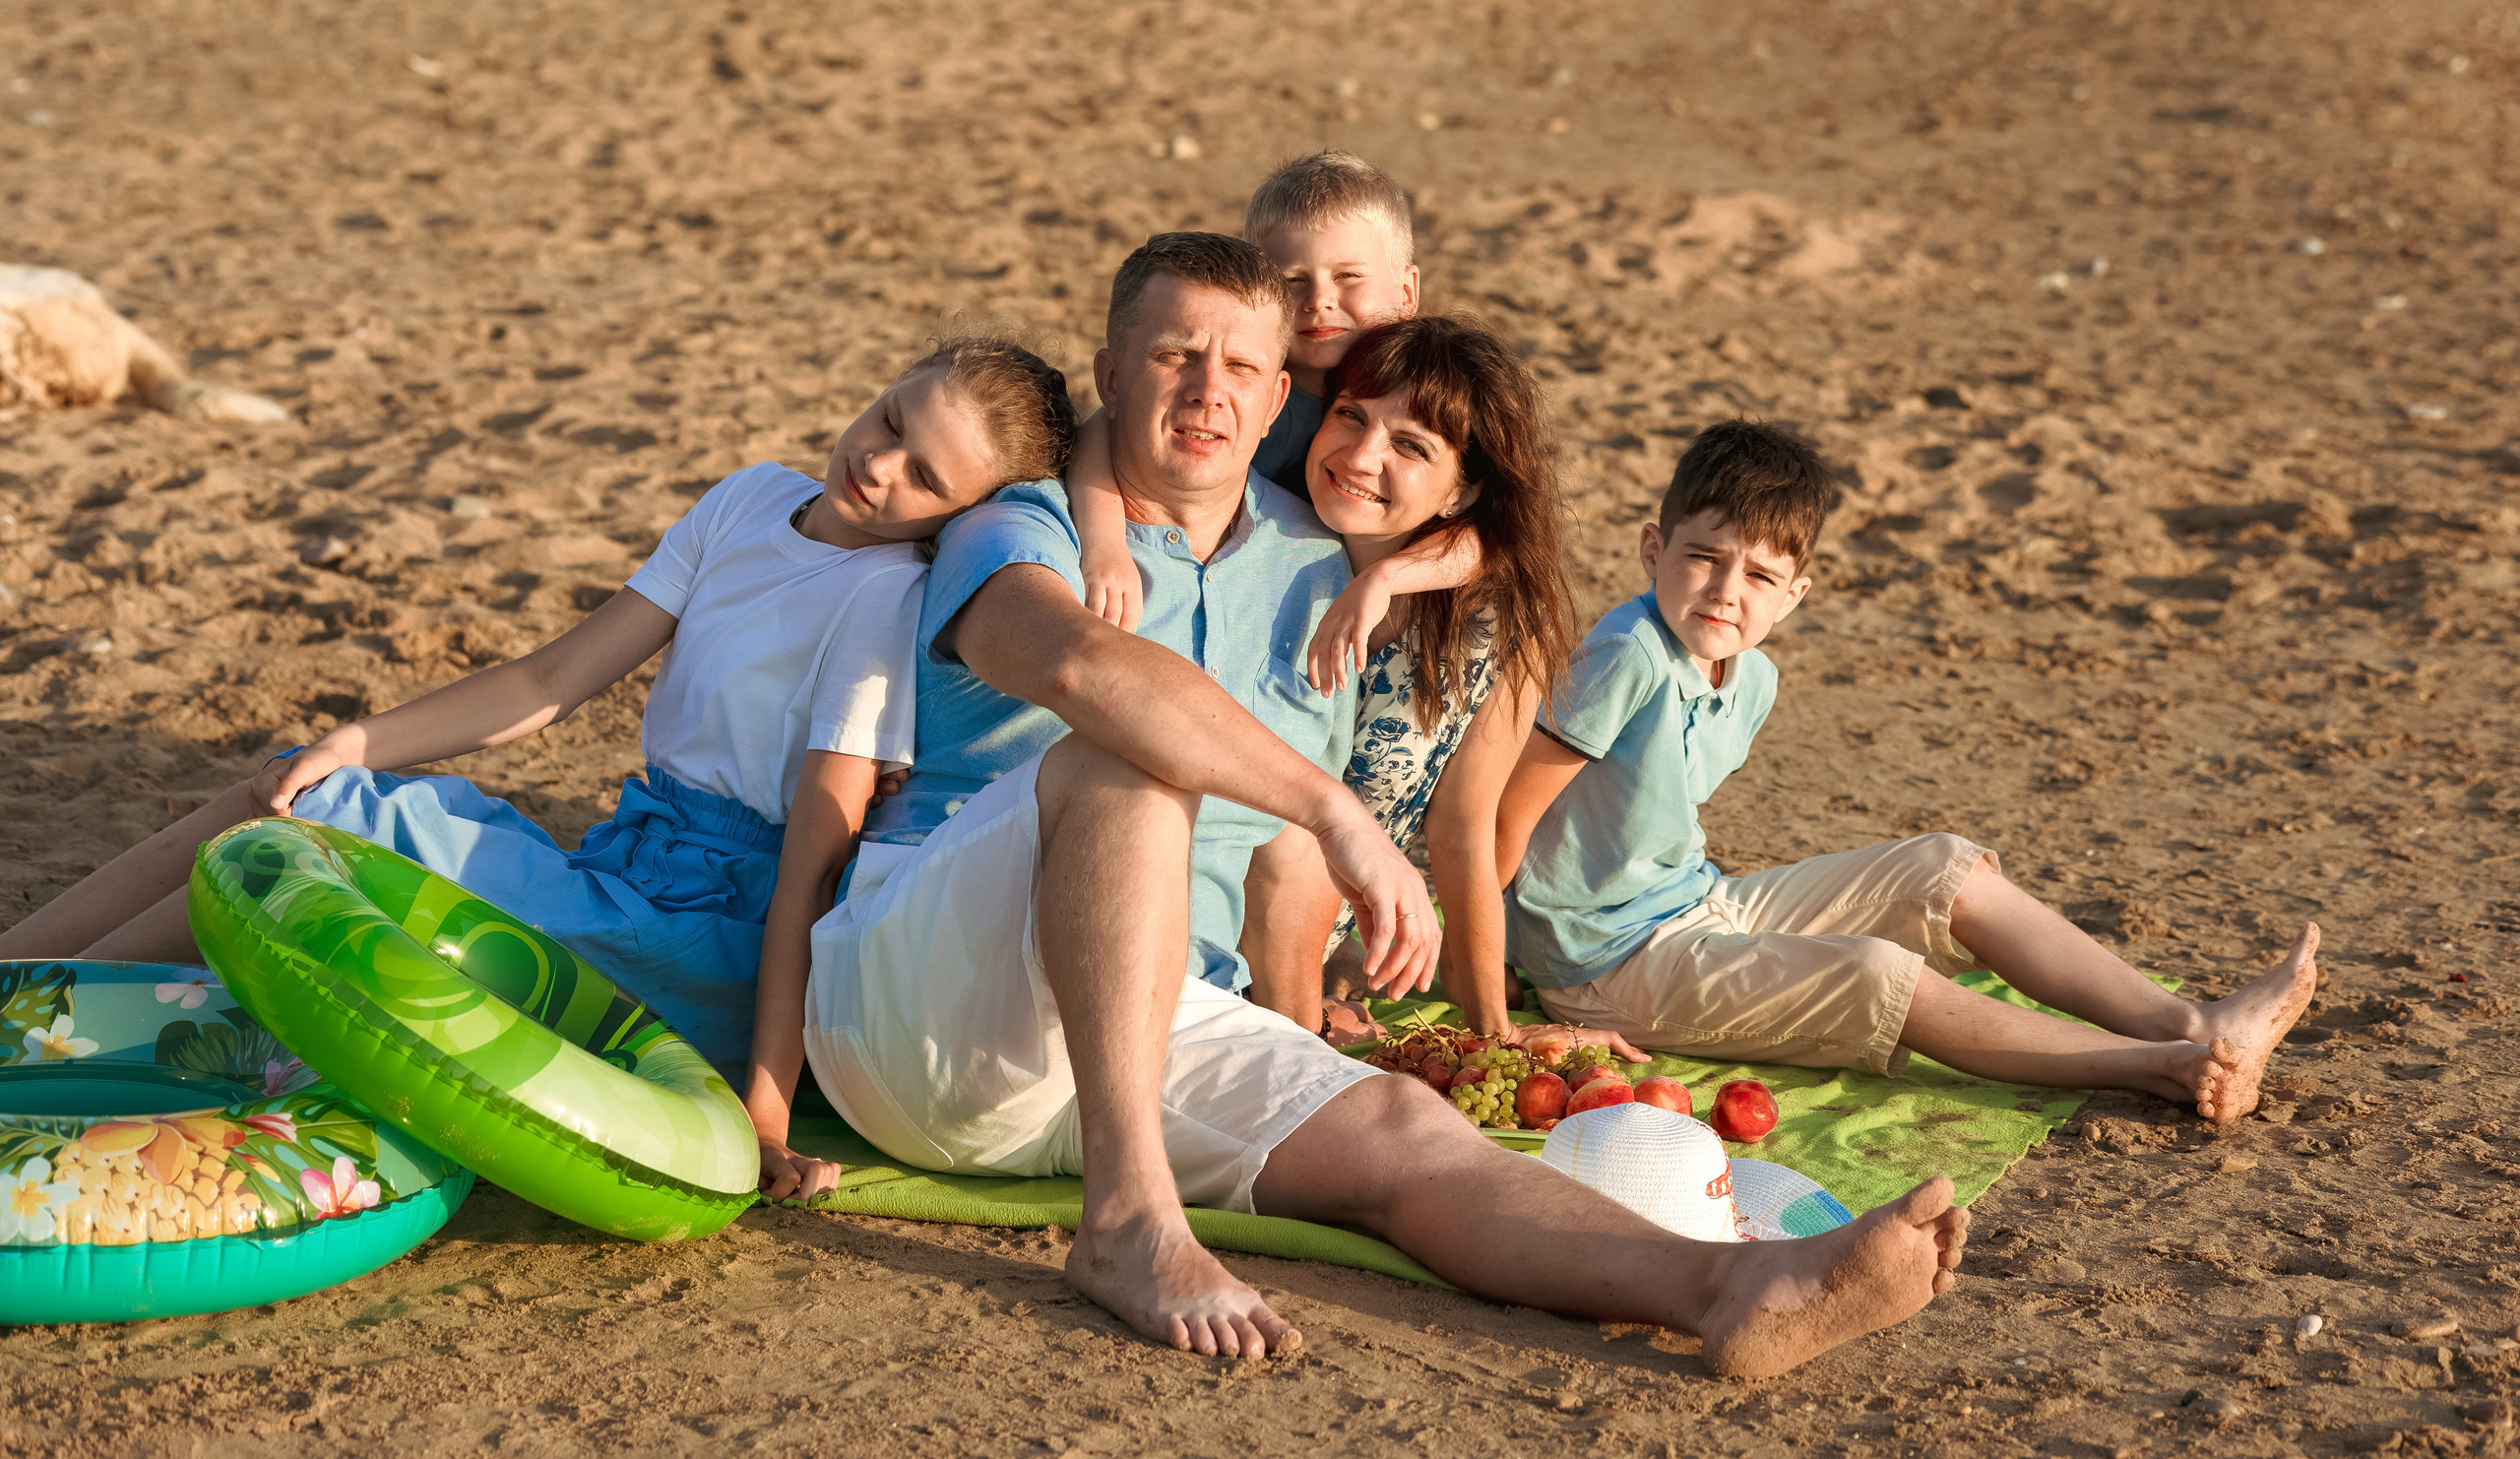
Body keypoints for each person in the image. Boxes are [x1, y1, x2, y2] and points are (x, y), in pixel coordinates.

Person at [802, 234, 1971, 1374]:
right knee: (1133, 761)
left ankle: (1728, 1289)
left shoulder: (1316, 570)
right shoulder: (1023, 524)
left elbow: (1285, 855)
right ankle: (1125, 1225)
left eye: (1242, 369)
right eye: (1172, 358)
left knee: (1409, 1139)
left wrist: (1319, 1012)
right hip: (926, 1013)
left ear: (1276, 403)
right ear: (1109, 378)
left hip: (1160, 1016)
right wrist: (1337, 810)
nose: (1208, 390)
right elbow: (1081, 673)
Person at [0, 336, 1080, 1201]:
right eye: (892, 417)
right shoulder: (750, 498)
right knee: (293, 785)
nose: (880, 463)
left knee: (318, 836)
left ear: (961, 514)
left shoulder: (884, 600)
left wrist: (763, 1106)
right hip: (619, 866)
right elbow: (555, 675)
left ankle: (25, 1027)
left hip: (704, 938)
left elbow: (812, 861)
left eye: (924, 475)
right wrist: (355, 738)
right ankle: (15, 985)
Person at [1491, 418, 2320, 1123]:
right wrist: (1492, 982)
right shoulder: (1626, 653)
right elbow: (1505, 815)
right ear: (1652, 547)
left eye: (1760, 575)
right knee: (1876, 973)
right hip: (1604, 966)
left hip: (1697, 902)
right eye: (1703, 557)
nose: (1725, 590)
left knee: (1941, 866)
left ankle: (2195, 1021)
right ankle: (2163, 1066)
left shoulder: (1752, 676)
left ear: (1795, 593)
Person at [1229, 315, 1625, 1058]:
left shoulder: (1500, 623)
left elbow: (1462, 832)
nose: (1361, 452)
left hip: (1321, 949)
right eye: (1351, 415)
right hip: (1214, 918)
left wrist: (1493, 1035)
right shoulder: (1249, 539)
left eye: (1410, 446)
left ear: (1462, 491)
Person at [1069, 151, 1479, 642]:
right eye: (1292, 280)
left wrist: (1388, 577)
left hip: (1389, 609)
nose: (1319, 299)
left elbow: (1499, 530)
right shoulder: (1242, 394)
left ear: (1408, 291)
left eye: (1348, 276)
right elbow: (1102, 431)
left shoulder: (1432, 387)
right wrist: (1105, 546)